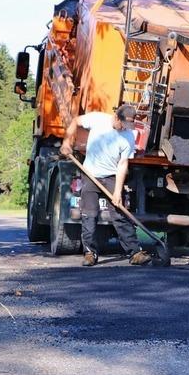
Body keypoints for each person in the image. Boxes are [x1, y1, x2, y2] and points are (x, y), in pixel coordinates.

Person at [60, 105, 152, 267]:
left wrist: (117, 192)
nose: (124, 128)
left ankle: (135, 252)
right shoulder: (97, 119)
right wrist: (67, 142)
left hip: (111, 177)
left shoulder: (129, 136)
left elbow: (123, 164)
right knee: (89, 214)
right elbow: (75, 121)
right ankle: (90, 253)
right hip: (90, 174)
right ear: (116, 117)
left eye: (128, 125)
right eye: (123, 124)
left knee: (119, 214)